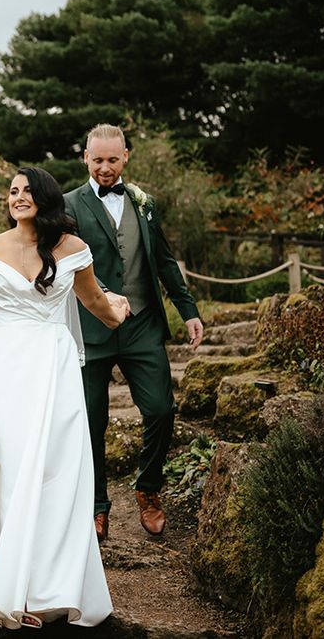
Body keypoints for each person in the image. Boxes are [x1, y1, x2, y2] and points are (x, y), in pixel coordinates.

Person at [0, 166, 127, 630]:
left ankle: (47, 586)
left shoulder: (73, 250)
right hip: (2, 367)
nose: (18, 197)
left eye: (26, 191)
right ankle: (6, 571)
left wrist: (117, 309)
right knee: (2, 465)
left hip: (53, 367)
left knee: (55, 469)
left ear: (45, 197)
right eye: (12, 191)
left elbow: (94, 303)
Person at [63, 123, 204, 542]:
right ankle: (96, 506)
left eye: (112, 159)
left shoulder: (145, 203)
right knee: (91, 422)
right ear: (85, 158)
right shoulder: (69, 206)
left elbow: (162, 260)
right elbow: (66, 268)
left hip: (143, 325)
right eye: (97, 159)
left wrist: (188, 310)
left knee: (161, 409)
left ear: (126, 156)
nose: (104, 168)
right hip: (90, 329)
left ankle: (147, 488)